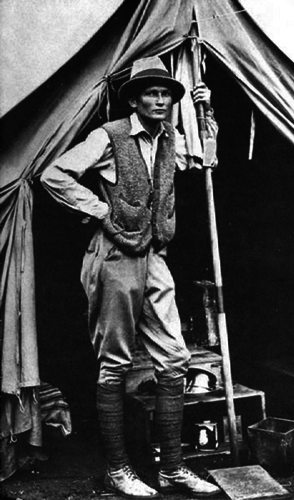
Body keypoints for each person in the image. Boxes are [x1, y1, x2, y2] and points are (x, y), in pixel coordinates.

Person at [41, 56, 220, 498]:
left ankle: (173, 469)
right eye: (151, 93)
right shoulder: (109, 135)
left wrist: (206, 114)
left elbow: (206, 161)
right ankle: (117, 470)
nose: (159, 100)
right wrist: (102, 212)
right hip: (114, 257)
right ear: (135, 99)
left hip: (153, 255)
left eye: (165, 93)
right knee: (115, 363)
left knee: (175, 358)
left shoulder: (170, 137)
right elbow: (53, 174)